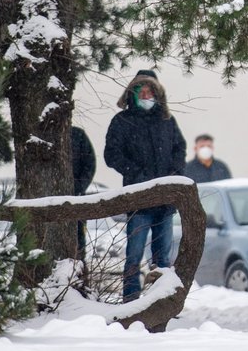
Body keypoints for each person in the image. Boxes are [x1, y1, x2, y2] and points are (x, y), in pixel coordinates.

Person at [103, 70, 186, 302]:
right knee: (133, 257)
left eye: (151, 91)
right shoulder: (122, 121)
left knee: (162, 261)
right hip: (137, 201)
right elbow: (111, 154)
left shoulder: (167, 121)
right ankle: (131, 302)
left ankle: (161, 302)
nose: (147, 95)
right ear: (133, 92)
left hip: (165, 203)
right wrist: (135, 173)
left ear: (157, 94)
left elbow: (179, 149)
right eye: (142, 90)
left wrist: (174, 174)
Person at [70, 126, 96, 261]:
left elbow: (90, 164)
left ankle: (79, 271)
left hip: (77, 199)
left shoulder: (77, 134)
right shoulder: (42, 136)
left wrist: (79, 187)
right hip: (49, 199)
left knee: (78, 242)